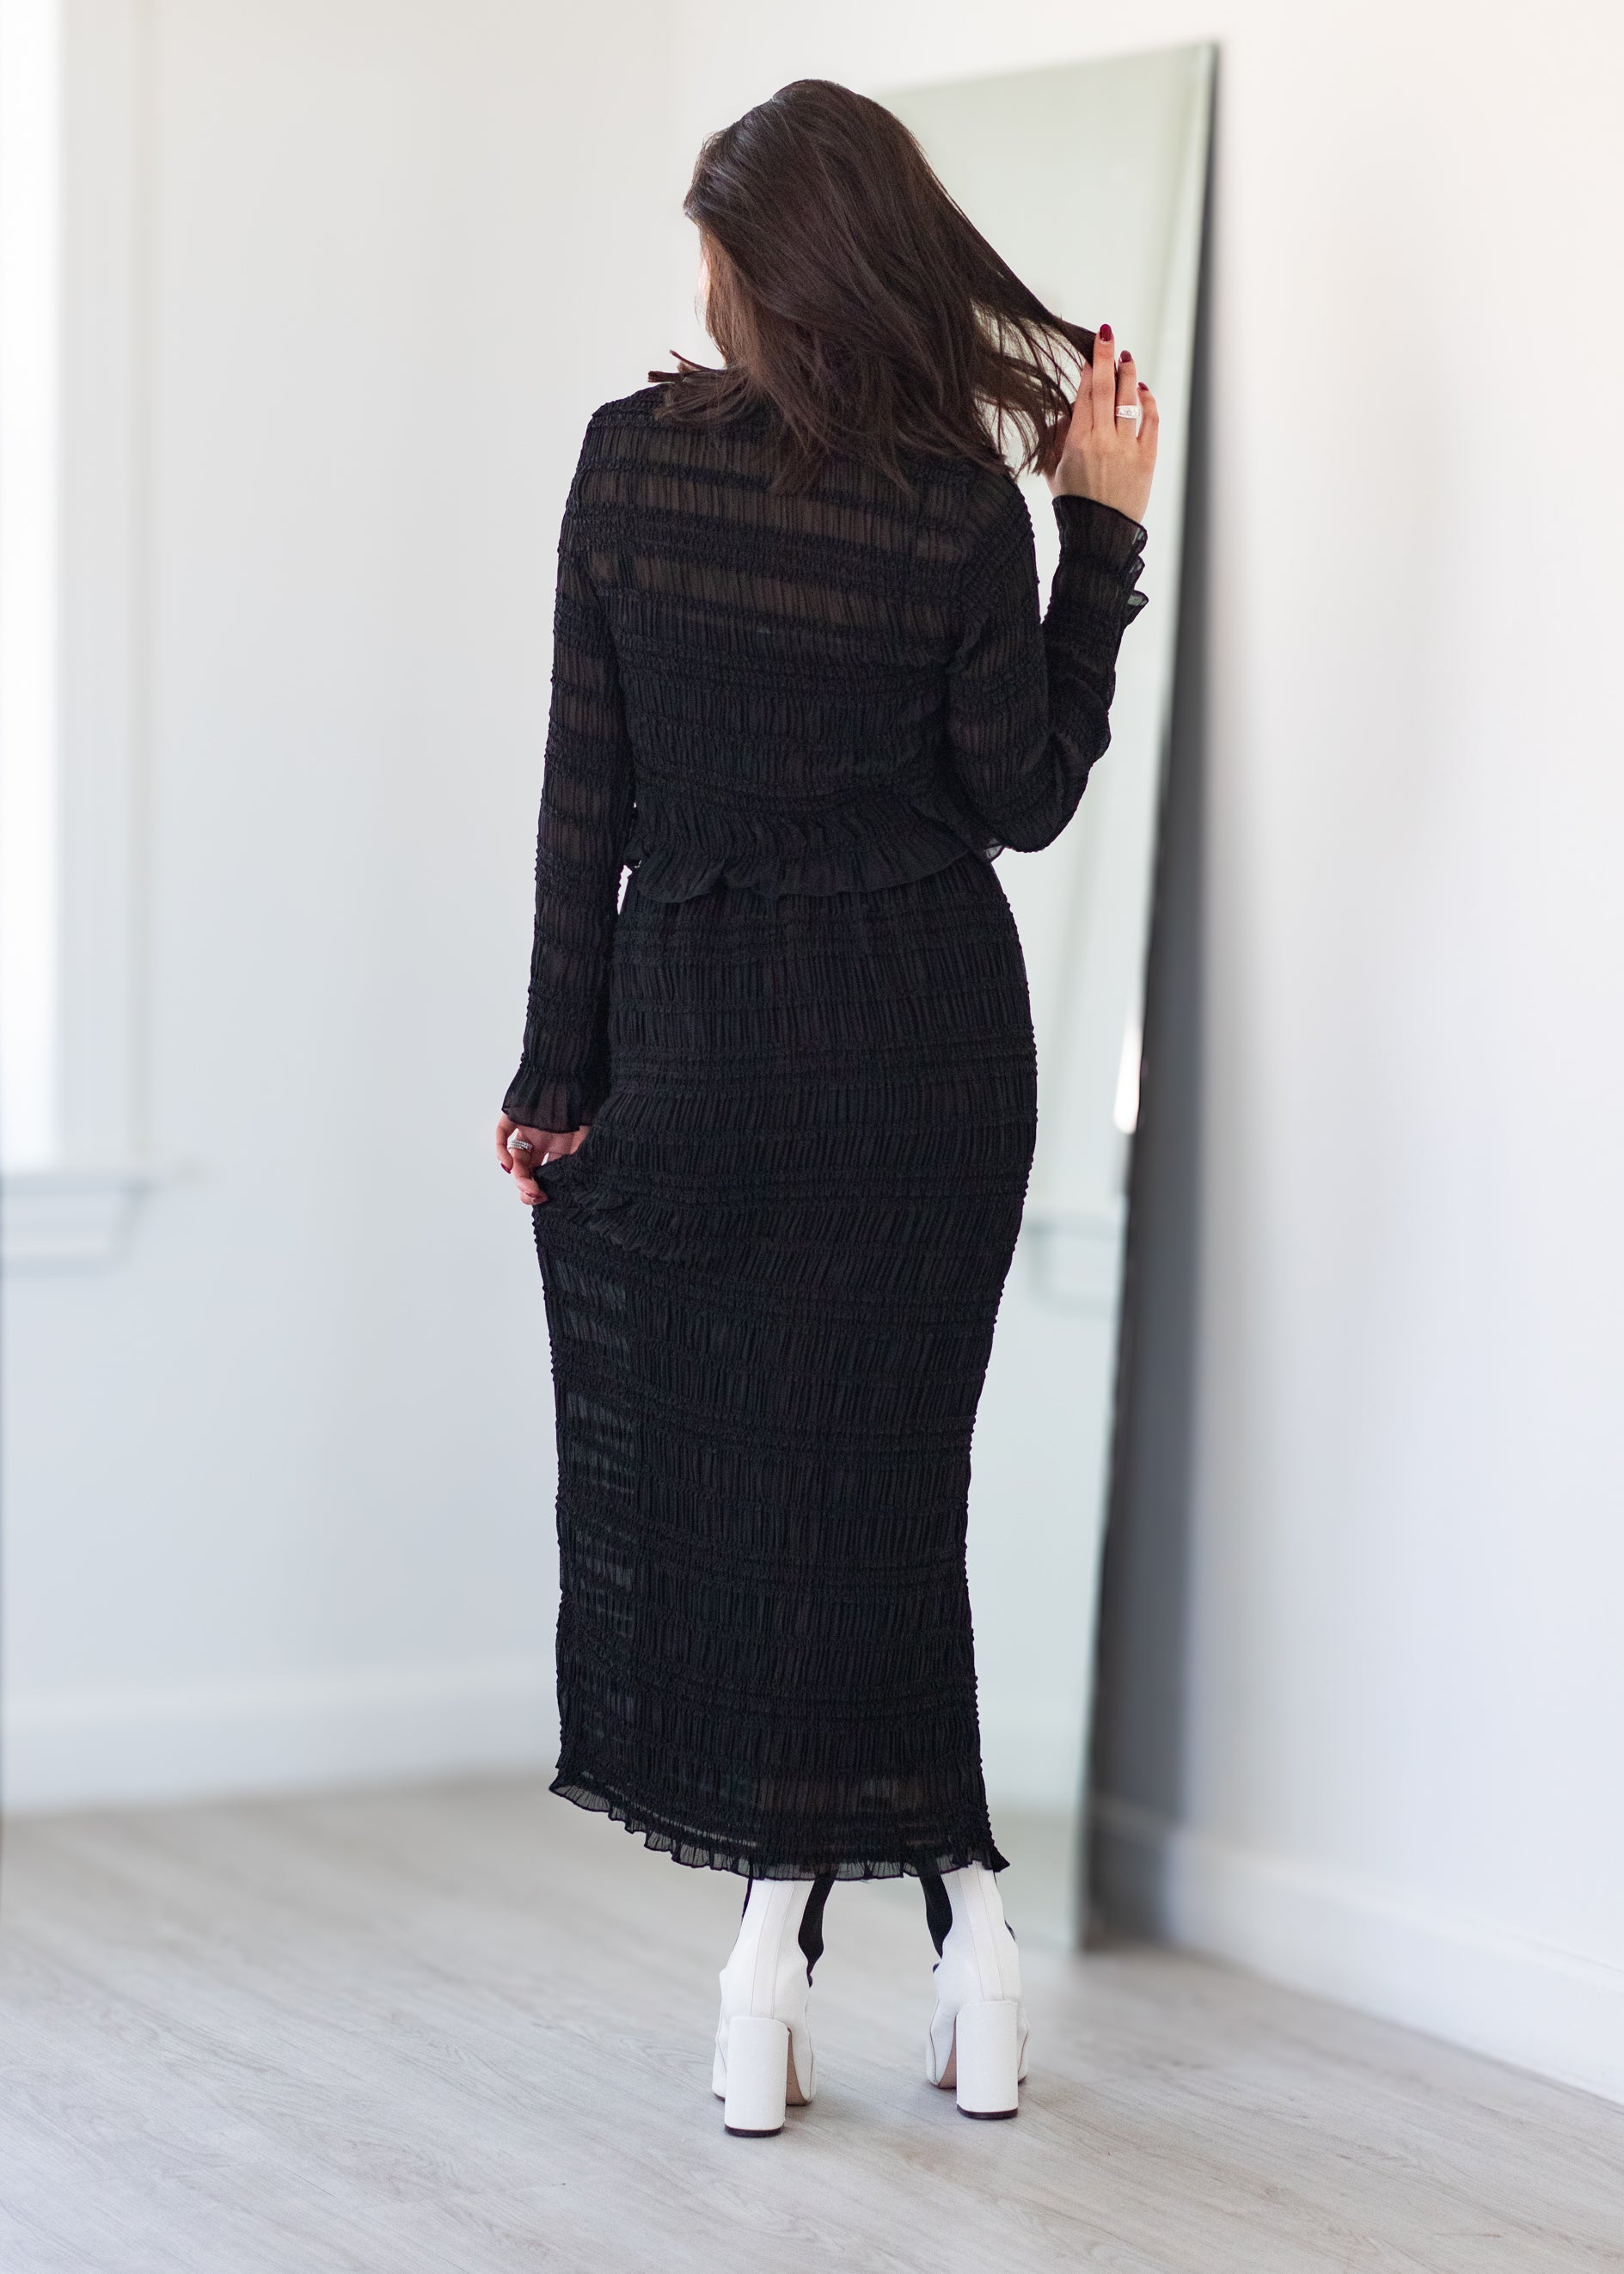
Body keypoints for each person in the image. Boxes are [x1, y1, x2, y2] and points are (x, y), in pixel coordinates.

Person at [495, 77, 1155, 2136]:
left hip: (702, 1042)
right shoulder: (957, 511)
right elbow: (1023, 802)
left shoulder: (630, 467)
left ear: (762, 272)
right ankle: (964, 1952)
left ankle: (770, 1977)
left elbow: (584, 804)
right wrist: (1100, 532)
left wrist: (556, 1075)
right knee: (876, 1502)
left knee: (776, 1512)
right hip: (926, 1059)